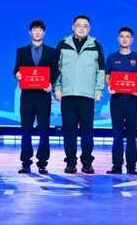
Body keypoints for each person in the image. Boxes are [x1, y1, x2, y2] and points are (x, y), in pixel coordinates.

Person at [54, 15, 106, 174]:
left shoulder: (95, 45)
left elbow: (101, 70)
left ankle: (87, 162)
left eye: (85, 26)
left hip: (87, 95)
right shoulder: (63, 44)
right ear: (73, 27)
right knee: (69, 130)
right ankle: (70, 162)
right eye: (78, 25)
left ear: (89, 29)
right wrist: (57, 88)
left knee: (87, 131)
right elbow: (56, 68)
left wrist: (98, 90)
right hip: (68, 95)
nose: (82, 28)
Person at [13, 20, 58, 174]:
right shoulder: (21, 51)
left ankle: (42, 162)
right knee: (26, 130)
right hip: (27, 96)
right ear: (30, 32)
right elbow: (16, 70)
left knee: (44, 130)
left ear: (44, 33)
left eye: (40, 30)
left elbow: (55, 71)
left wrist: (51, 83)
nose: (37, 32)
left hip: (43, 96)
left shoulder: (52, 51)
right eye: (34, 30)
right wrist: (17, 75)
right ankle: (25, 162)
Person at [105, 27, 137, 175]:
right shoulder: (112, 57)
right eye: (122, 36)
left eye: (128, 36)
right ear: (118, 39)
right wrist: (110, 85)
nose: (124, 39)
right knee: (117, 134)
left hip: (133, 100)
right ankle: (116, 165)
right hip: (116, 100)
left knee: (131, 134)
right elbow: (107, 76)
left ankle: (131, 166)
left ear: (132, 40)